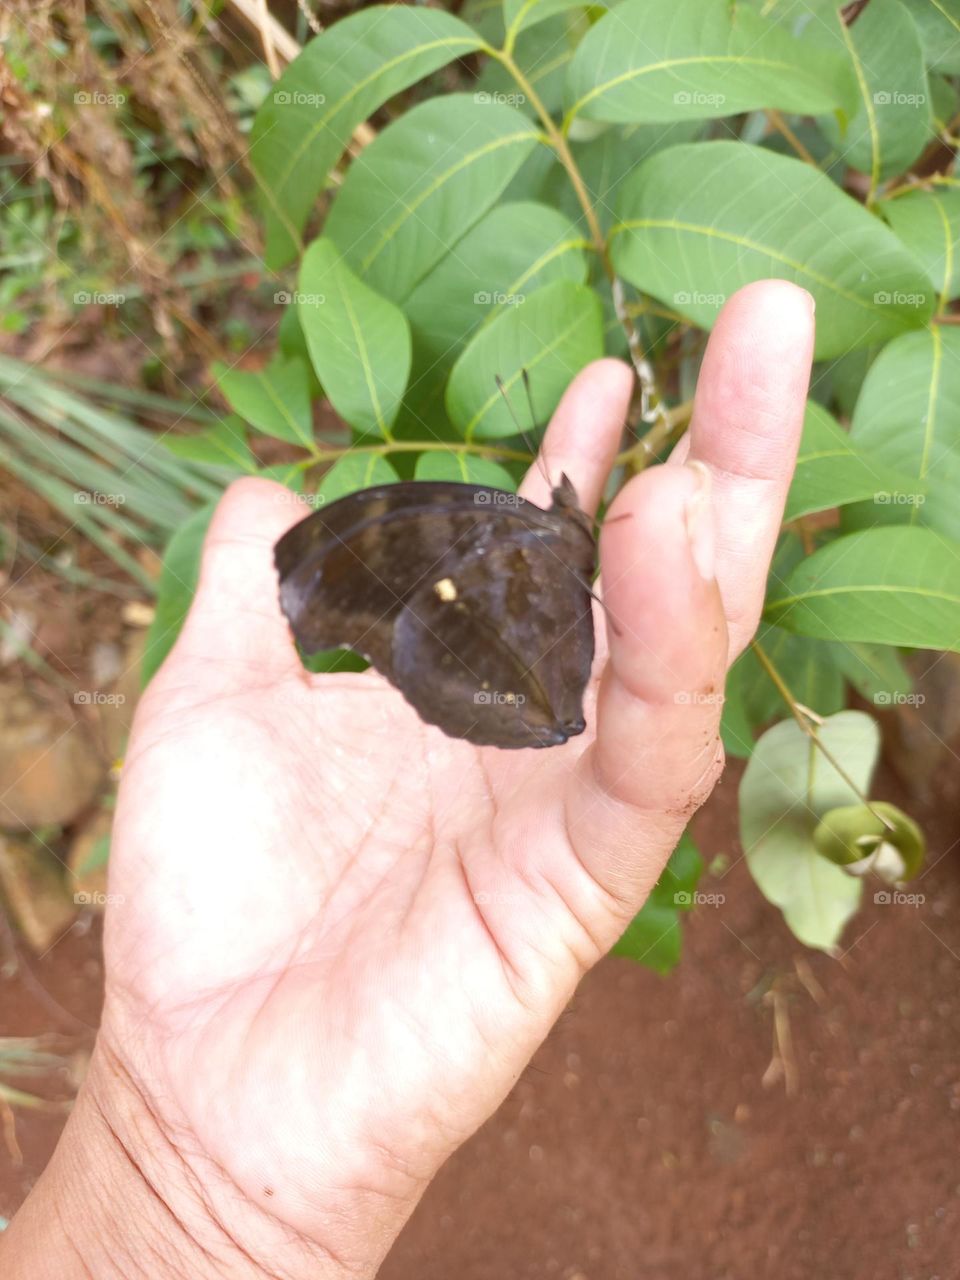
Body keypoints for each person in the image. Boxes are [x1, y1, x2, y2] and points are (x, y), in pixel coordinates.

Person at [0, 280, 814, 1278]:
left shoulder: (532, 532)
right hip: (500, 685)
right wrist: (181, 1189)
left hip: (521, 681)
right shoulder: (509, 525)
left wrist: (188, 1201)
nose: (566, 509)